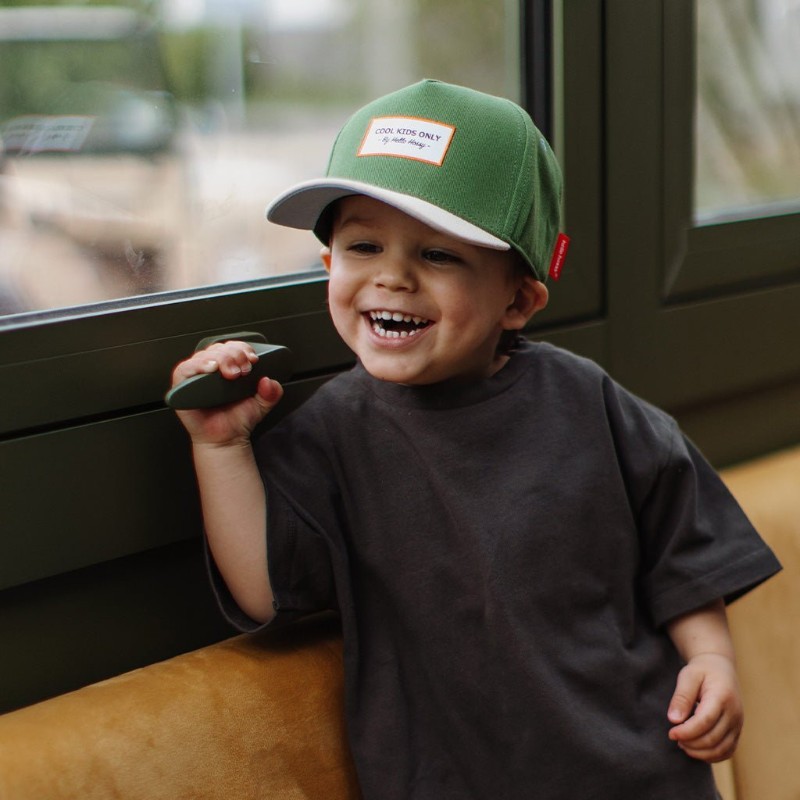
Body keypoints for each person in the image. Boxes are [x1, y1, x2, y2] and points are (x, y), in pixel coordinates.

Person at [171, 80, 781, 799]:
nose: (392, 277)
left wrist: (711, 659)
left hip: (643, 774)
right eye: (363, 245)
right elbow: (264, 590)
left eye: (437, 254)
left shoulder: (588, 401)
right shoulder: (332, 432)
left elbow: (680, 545)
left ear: (517, 299)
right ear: (329, 265)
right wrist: (220, 448)